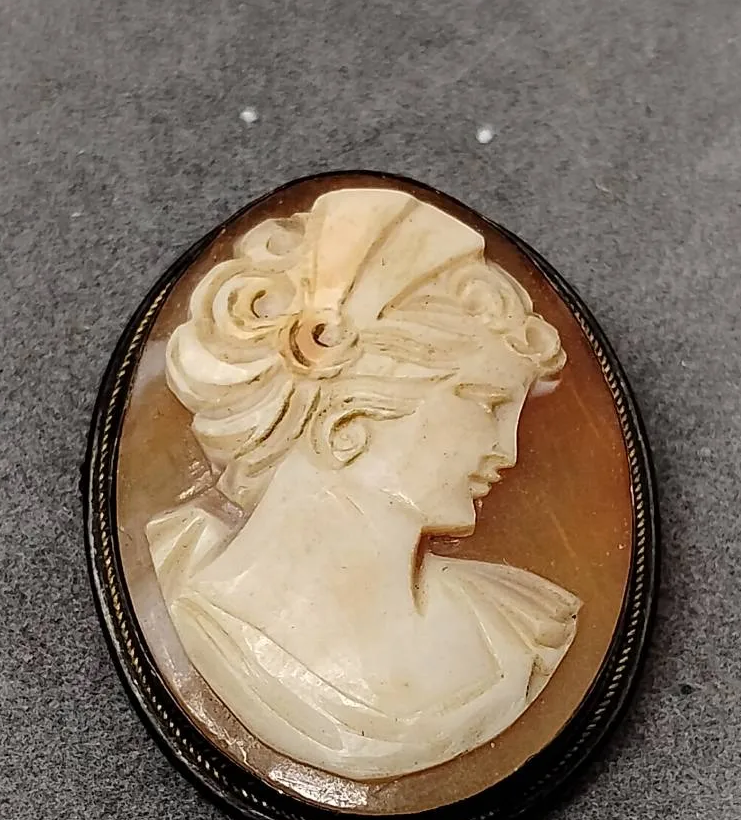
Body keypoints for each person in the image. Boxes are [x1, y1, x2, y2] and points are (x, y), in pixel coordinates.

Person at [147, 187, 581, 780]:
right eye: (486, 404)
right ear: (350, 413)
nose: (508, 453)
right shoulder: (183, 607)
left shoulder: (521, 626)